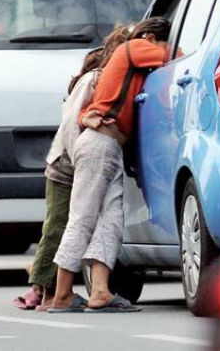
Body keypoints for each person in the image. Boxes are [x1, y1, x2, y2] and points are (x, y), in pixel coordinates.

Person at [49, 17, 172, 313]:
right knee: (83, 217)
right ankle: (62, 293)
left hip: (108, 146)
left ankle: (100, 291)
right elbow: (174, 57)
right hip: (100, 145)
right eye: (160, 40)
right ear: (149, 37)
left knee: (111, 219)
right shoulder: (133, 47)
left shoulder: (129, 60)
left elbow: (92, 108)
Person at [12, 26, 131, 311]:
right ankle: (44, 290)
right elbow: (70, 124)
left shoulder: (109, 83)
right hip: (65, 168)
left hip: (75, 165)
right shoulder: (94, 80)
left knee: (71, 224)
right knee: (58, 227)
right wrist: (78, 163)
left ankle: (53, 292)